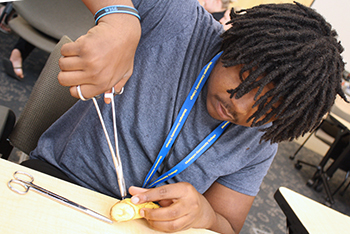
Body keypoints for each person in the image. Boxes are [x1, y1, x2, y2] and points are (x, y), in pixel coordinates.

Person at [24, 0, 346, 233]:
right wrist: (118, 17)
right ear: (239, 42)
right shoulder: (173, 19)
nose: (242, 109)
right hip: (58, 184)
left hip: (141, 227)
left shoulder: (261, 140)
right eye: (246, 79)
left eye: (268, 109)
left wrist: (205, 215)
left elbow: (228, 224)